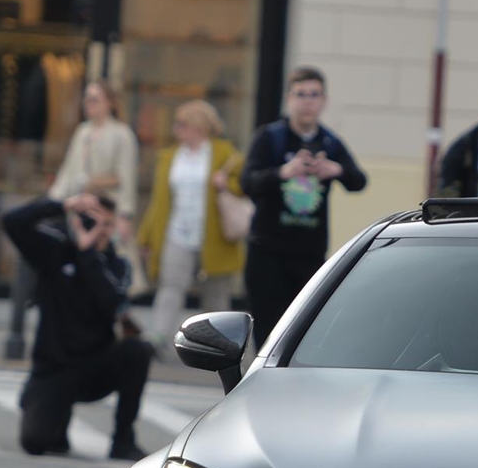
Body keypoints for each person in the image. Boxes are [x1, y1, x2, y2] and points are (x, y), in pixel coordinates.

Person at [3, 179, 154, 459]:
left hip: (95, 367)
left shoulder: (117, 265)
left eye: (106, 224)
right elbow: (12, 222)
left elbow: (111, 301)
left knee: (138, 351)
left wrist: (88, 255)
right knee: (37, 442)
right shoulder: (55, 249)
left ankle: (123, 439)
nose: (99, 230)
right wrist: (62, 204)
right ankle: (45, 411)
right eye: (91, 220)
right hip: (54, 367)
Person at [9, 78, 139, 357]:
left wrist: (125, 215)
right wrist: (55, 202)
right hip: (79, 210)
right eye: (87, 99)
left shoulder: (121, 134)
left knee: (107, 266)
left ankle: (117, 321)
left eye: (95, 99)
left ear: (110, 103)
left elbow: (126, 176)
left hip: (106, 211)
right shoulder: (82, 132)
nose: (89, 105)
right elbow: (68, 171)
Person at [241, 66, 368, 343]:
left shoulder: (330, 142)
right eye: (301, 94)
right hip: (267, 254)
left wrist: (336, 170)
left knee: (303, 339)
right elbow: (247, 182)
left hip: (309, 256)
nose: (308, 101)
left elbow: (359, 181)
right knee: (267, 337)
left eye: (314, 95)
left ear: (324, 101)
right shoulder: (270, 138)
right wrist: (283, 172)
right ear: (289, 99)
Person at [139, 99, 246, 353]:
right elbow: (159, 200)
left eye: (181, 124)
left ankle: (218, 344)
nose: (176, 130)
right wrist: (146, 236)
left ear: (198, 126)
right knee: (170, 287)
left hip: (214, 235)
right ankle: (158, 337)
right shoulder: (170, 156)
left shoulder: (223, 153)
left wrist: (224, 184)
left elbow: (243, 186)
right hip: (177, 231)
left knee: (216, 293)